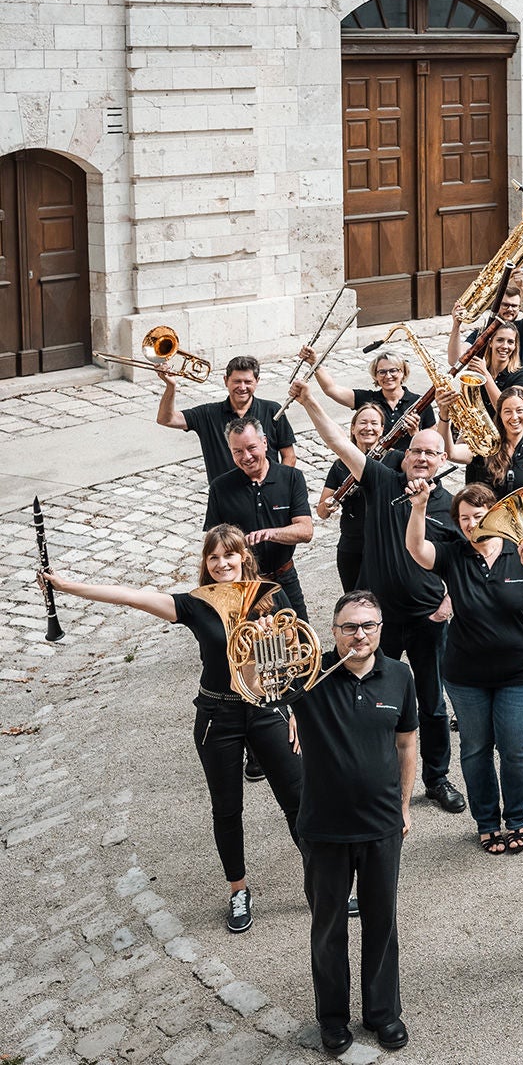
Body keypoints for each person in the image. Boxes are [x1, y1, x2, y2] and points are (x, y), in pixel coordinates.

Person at [39, 526, 301, 934]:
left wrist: (294, 707)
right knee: (227, 809)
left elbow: (293, 658)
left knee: (298, 800)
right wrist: (66, 586)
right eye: (214, 557)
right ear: (206, 563)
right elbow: (131, 596)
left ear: (243, 557)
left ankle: (325, 882)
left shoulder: (272, 596)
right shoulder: (196, 604)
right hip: (218, 715)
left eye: (229, 555)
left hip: (267, 709)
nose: (222, 563)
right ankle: (238, 891)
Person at [291, 378, 467, 818]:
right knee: (374, 700)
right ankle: (379, 775)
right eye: (416, 451)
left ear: (443, 460)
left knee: (432, 703)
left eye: (430, 453)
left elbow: (464, 561)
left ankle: (437, 778)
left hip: (427, 620)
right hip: (378, 623)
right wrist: (310, 400)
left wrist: (450, 600)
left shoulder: (450, 506)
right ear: (404, 456)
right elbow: (337, 441)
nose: (422, 458)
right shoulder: (382, 480)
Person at [291, 591, 418, 1055]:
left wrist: (404, 806)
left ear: (380, 629)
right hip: (324, 827)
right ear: (334, 631)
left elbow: (407, 744)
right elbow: (253, 686)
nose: (359, 635)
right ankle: (332, 1019)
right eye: (349, 627)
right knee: (328, 928)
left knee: (382, 922)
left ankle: (383, 1013)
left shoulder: (400, 676)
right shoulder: (308, 674)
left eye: (368, 625)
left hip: (382, 824)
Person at [407, 483, 523, 855]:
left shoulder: (522, 552)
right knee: (475, 749)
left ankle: (516, 819)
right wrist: (419, 507)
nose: (472, 524)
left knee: (516, 748)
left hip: (519, 670)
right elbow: (417, 548)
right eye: (464, 519)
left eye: (478, 515)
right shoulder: (454, 555)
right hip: (465, 675)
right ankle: (487, 823)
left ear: (495, 513)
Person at [155, 355, 297, 516]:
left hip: (267, 499)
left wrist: (277, 488)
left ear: (257, 381)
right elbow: (166, 419)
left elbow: (289, 456)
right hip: (227, 501)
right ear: (225, 381)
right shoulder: (208, 414)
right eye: (237, 381)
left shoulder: (273, 410)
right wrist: (171, 386)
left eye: (248, 382)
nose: (242, 387)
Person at [205, 417, 314, 620]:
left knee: (300, 635)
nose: (246, 457)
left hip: (285, 577)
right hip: (243, 584)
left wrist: (270, 533)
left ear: (265, 442)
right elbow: (212, 541)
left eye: (251, 448)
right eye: (238, 451)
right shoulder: (220, 487)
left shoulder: (292, 477)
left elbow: (306, 531)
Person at [319, 403, 389, 590]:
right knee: (354, 599)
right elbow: (321, 512)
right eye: (363, 423)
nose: (368, 428)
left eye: (374, 423)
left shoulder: (395, 460)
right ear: (352, 428)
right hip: (352, 546)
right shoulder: (340, 465)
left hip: (385, 545)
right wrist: (328, 504)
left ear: (382, 429)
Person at [302, 347, 437, 437]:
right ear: (375, 376)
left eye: (393, 370)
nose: (388, 376)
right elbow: (331, 389)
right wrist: (315, 363)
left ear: (403, 373)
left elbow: (434, 442)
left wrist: (415, 433)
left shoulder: (420, 403)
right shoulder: (368, 399)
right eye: (382, 372)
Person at [451, 385, 523, 501]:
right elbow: (450, 453)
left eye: (519, 410)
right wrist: (444, 417)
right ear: (500, 414)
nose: (514, 417)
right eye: (508, 412)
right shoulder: (484, 446)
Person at [455, 314, 523, 413]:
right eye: (500, 340)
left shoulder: (522, 376)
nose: (505, 346)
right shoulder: (478, 369)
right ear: (490, 342)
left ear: (515, 346)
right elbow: (453, 360)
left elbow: (507, 409)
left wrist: (485, 375)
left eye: (510, 342)